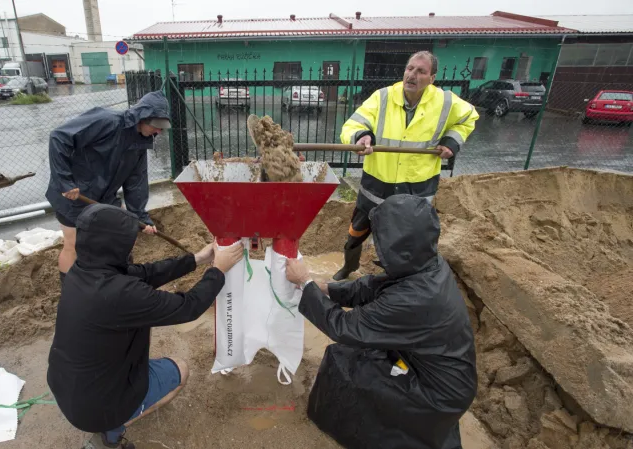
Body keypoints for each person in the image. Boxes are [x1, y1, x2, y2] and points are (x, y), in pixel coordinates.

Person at [286, 194, 477, 449]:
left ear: (399, 245)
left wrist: (305, 284)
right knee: (359, 353)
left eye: (380, 240)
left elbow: (343, 327)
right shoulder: (427, 266)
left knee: (344, 362)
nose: (375, 245)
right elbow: (373, 287)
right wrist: (328, 289)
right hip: (445, 379)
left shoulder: (413, 299)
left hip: (436, 396)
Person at [47, 203, 244, 449]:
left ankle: (109, 414)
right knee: (181, 370)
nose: (132, 247)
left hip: (65, 385)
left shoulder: (81, 271)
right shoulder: (123, 295)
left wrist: (197, 259)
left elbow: (144, 273)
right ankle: (111, 430)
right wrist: (218, 270)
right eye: (128, 242)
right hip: (94, 407)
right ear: (114, 246)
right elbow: (188, 307)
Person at [333, 51, 479, 281]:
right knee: (356, 233)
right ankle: (348, 268)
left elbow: (469, 118)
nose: (412, 75)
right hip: (376, 187)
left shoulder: (446, 102)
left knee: (405, 241)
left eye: (421, 71)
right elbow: (353, 124)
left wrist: (452, 141)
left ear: (431, 78)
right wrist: (360, 136)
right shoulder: (382, 97)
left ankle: (395, 281)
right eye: (410, 68)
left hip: (416, 189)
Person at [45, 91, 172, 284]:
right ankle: (71, 293)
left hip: (104, 196)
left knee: (124, 235)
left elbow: (136, 182)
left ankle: (120, 284)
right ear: (142, 117)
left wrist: (140, 216)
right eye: (156, 126)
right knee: (74, 245)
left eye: (162, 128)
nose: (158, 132)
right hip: (73, 196)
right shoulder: (107, 121)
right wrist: (65, 181)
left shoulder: (140, 143)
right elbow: (59, 137)